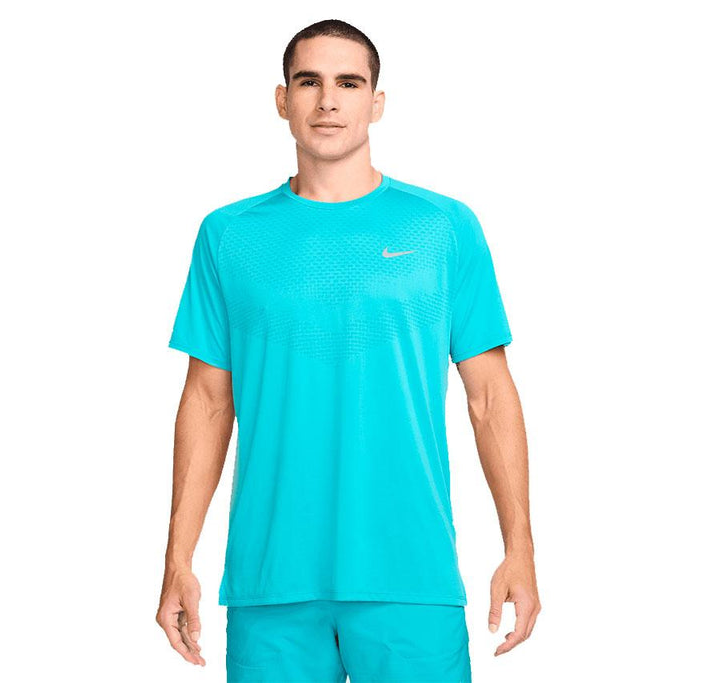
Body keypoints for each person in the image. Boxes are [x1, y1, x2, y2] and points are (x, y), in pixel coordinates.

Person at [156, 19, 540, 683]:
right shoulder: (228, 235)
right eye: (309, 82)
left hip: (412, 576)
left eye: (349, 83)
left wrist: (520, 546)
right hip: (271, 582)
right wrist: (177, 558)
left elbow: (488, 396)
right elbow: (208, 402)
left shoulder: (443, 227)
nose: (328, 100)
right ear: (283, 99)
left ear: (376, 102)